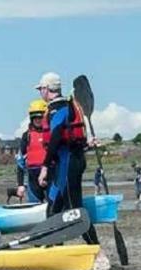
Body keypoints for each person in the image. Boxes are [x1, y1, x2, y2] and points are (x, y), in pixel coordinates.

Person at [36, 71, 99, 243]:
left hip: (68, 163)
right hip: (67, 162)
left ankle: (96, 250)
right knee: (53, 208)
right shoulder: (65, 107)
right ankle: (54, 248)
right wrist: (87, 145)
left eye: (40, 88)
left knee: (74, 209)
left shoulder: (59, 108)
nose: (40, 92)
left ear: (47, 88)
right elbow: (70, 139)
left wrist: (44, 167)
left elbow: (56, 137)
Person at [19, 99, 50, 203]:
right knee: (34, 203)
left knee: (55, 203)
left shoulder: (52, 133)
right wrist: (20, 185)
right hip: (33, 176)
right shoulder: (26, 136)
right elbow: (20, 162)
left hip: (50, 174)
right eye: (35, 117)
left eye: (40, 117)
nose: (38, 120)